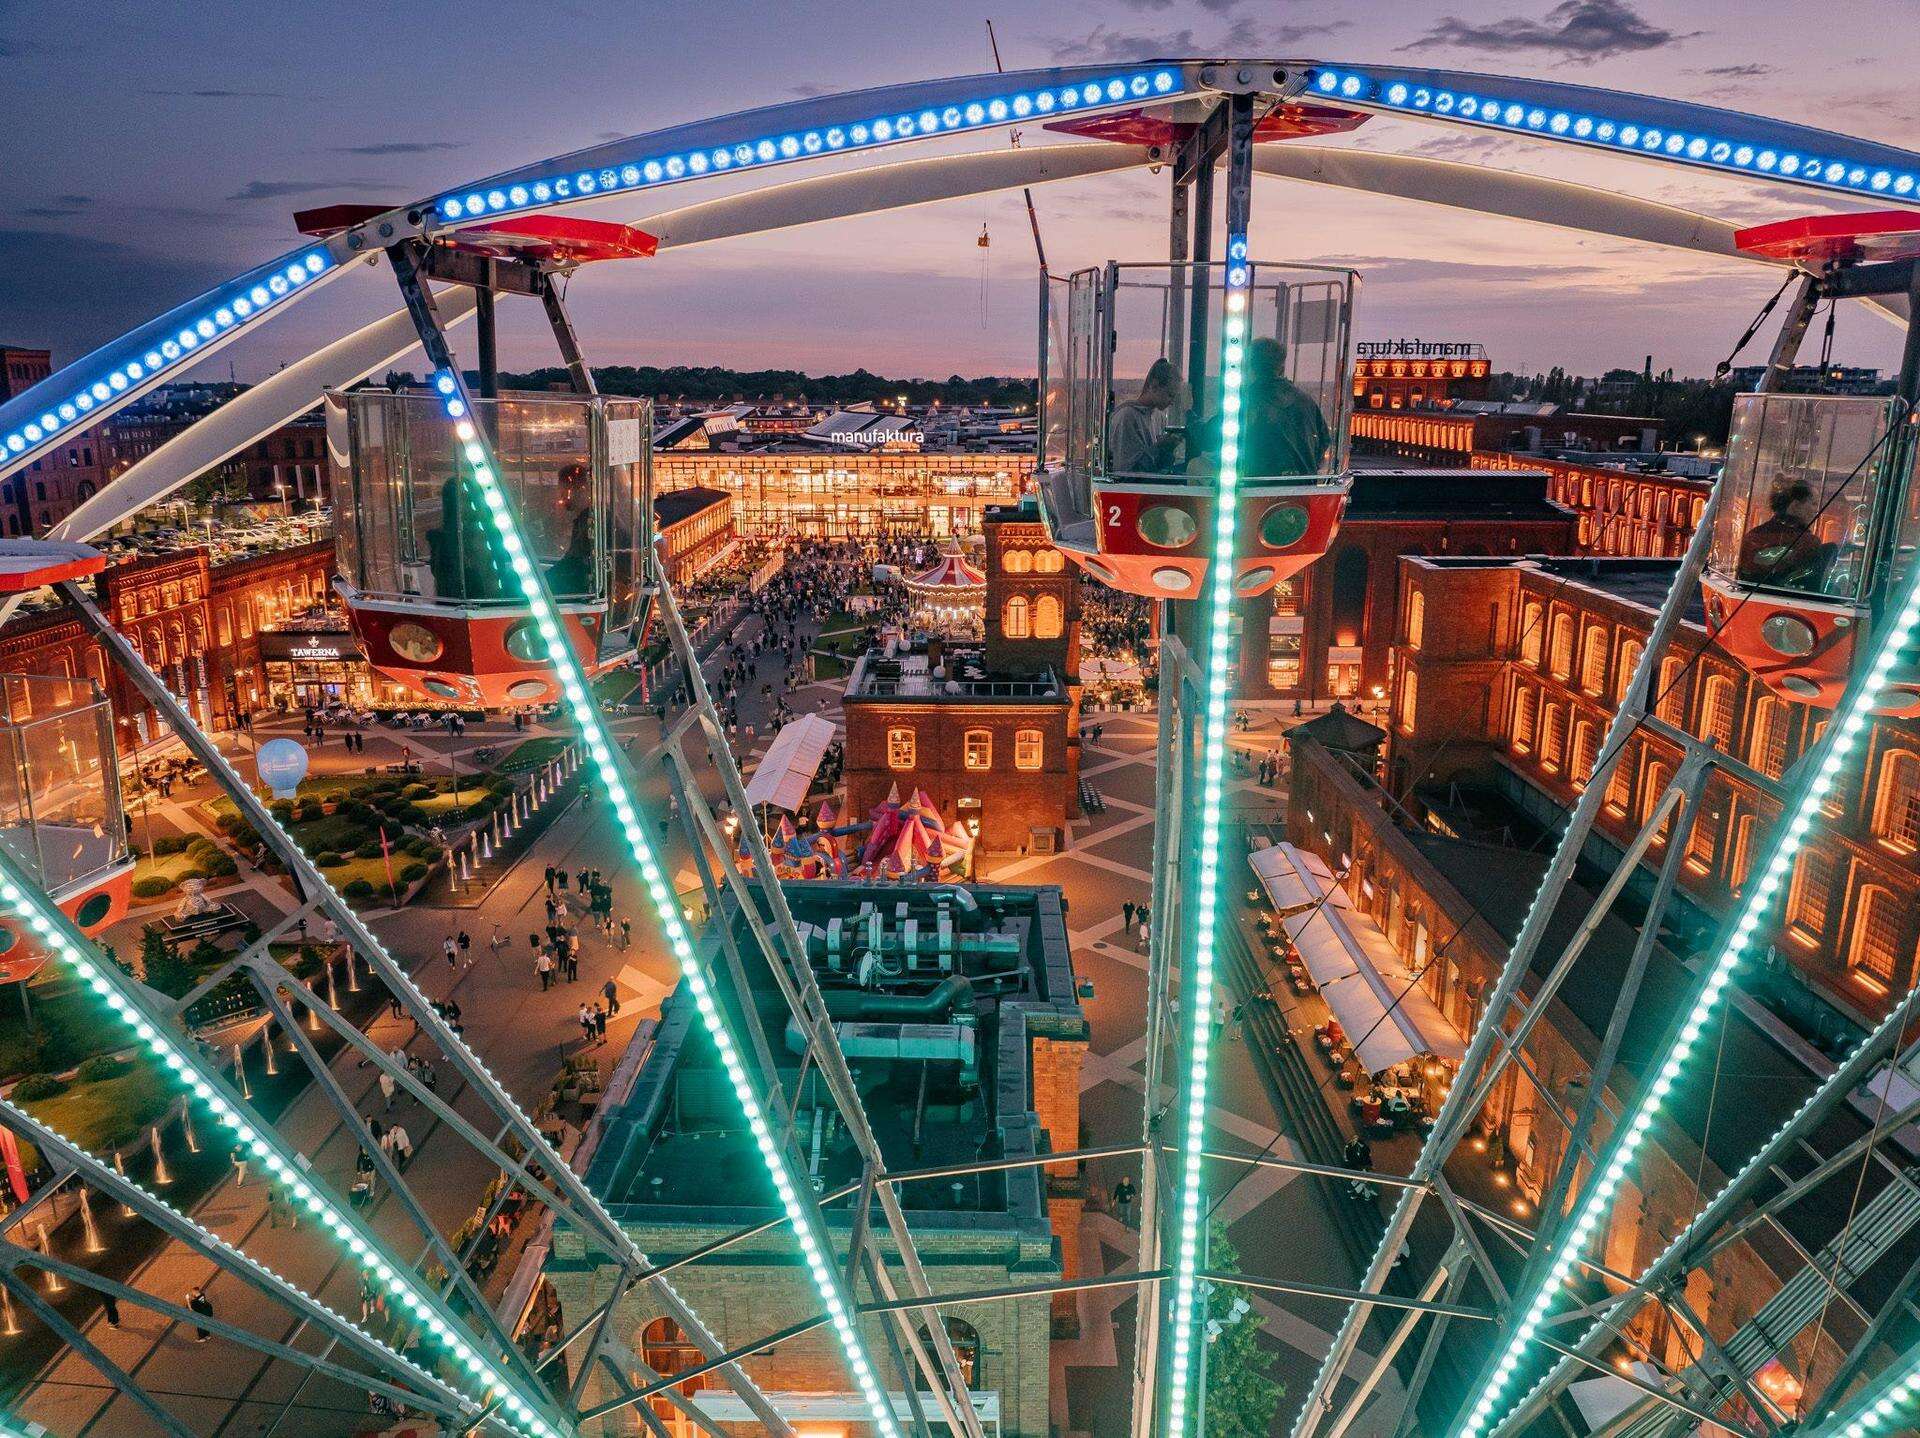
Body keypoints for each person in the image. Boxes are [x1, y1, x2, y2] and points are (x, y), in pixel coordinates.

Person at [1221, 337, 1331, 478]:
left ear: (1249, 366)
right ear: (1282, 367)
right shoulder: (1306, 400)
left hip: (1257, 483)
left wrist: (1193, 424)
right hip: (1303, 485)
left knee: (1197, 464)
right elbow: (1325, 439)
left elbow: (1212, 437)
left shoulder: (1245, 400)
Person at [1738, 478, 1835, 591]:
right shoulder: (1808, 542)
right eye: (1813, 504)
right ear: (1795, 506)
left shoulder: (1754, 534)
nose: (1816, 510)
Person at [1105, 358, 1181, 475]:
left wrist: (1168, 450)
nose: (1172, 401)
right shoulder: (1127, 417)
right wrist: (1160, 447)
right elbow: (1125, 472)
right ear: (1154, 386)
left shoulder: (1158, 417)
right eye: (1170, 395)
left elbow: (1156, 467)